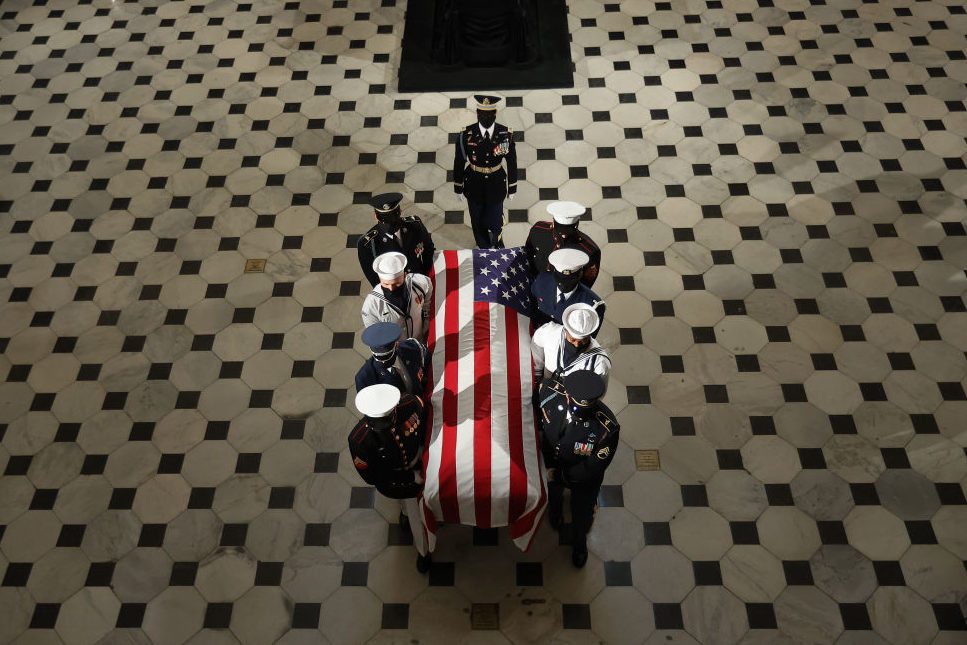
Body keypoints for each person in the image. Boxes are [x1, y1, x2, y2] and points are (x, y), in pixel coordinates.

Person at [538, 370, 619, 568]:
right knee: (553, 496)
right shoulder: (548, 392)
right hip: (552, 464)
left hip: (583, 480)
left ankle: (579, 545)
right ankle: (555, 513)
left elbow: (592, 467)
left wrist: (559, 476)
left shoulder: (605, 428)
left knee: (581, 513)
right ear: (566, 394)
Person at [349, 384, 432, 572]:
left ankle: (423, 544)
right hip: (396, 478)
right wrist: (410, 479)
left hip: (417, 461)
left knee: (421, 511)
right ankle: (423, 551)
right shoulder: (360, 440)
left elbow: (425, 422)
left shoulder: (409, 404)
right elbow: (373, 476)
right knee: (414, 515)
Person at [452, 94, 518, 249]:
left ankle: (496, 245)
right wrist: (458, 187)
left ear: (495, 114)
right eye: (482, 114)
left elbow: (512, 162)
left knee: (496, 219)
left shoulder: (505, 134)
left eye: (489, 114)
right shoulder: (466, 135)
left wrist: (512, 187)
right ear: (477, 114)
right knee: (477, 219)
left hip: (496, 183)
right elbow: (459, 161)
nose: (485, 117)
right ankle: (483, 247)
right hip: (474, 183)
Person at [357, 192, 435, 286]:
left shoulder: (415, 224)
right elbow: (373, 277)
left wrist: (424, 275)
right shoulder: (368, 244)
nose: (391, 226)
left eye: (394, 220)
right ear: (376, 217)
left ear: (400, 212)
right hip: (394, 291)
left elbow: (428, 249)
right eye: (386, 222)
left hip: (420, 281)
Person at [532, 303, 611, 390]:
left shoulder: (600, 363)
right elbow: (536, 346)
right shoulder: (548, 332)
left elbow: (598, 392)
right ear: (565, 330)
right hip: (543, 387)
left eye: (583, 340)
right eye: (573, 339)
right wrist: (537, 375)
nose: (577, 345)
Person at [524, 201, 601, 288]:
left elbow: (586, 283)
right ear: (553, 221)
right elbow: (527, 255)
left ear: (577, 223)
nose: (564, 235)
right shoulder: (538, 230)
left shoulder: (589, 250)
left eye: (568, 230)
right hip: (534, 285)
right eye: (560, 229)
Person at [361, 252, 433, 343]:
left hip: (421, 341)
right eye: (386, 284)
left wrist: (426, 327)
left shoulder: (421, 283)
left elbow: (427, 303)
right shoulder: (371, 306)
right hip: (396, 350)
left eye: (397, 284)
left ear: (405, 275)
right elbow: (375, 336)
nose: (391, 288)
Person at [530, 248, 605, 335]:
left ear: (580, 275)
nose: (564, 285)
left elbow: (586, 341)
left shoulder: (592, 306)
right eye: (560, 280)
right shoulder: (542, 280)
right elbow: (532, 302)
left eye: (570, 280)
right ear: (554, 274)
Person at [355, 322, 429, 396]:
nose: (384, 360)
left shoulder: (411, 347)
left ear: (397, 344)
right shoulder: (365, 379)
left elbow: (429, 363)